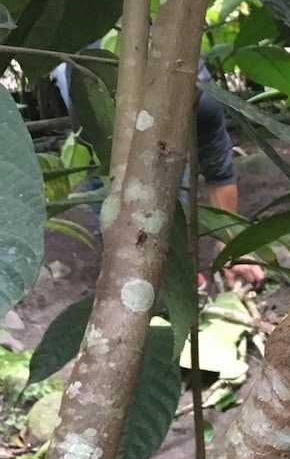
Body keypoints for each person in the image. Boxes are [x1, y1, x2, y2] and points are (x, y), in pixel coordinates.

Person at [54, 54, 266, 289]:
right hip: (86, 73)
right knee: (106, 181)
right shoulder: (90, 96)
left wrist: (230, 246)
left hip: (170, 111)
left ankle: (172, 271)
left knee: (170, 187)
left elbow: (219, 173)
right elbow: (105, 168)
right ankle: (120, 265)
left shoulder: (202, 102)